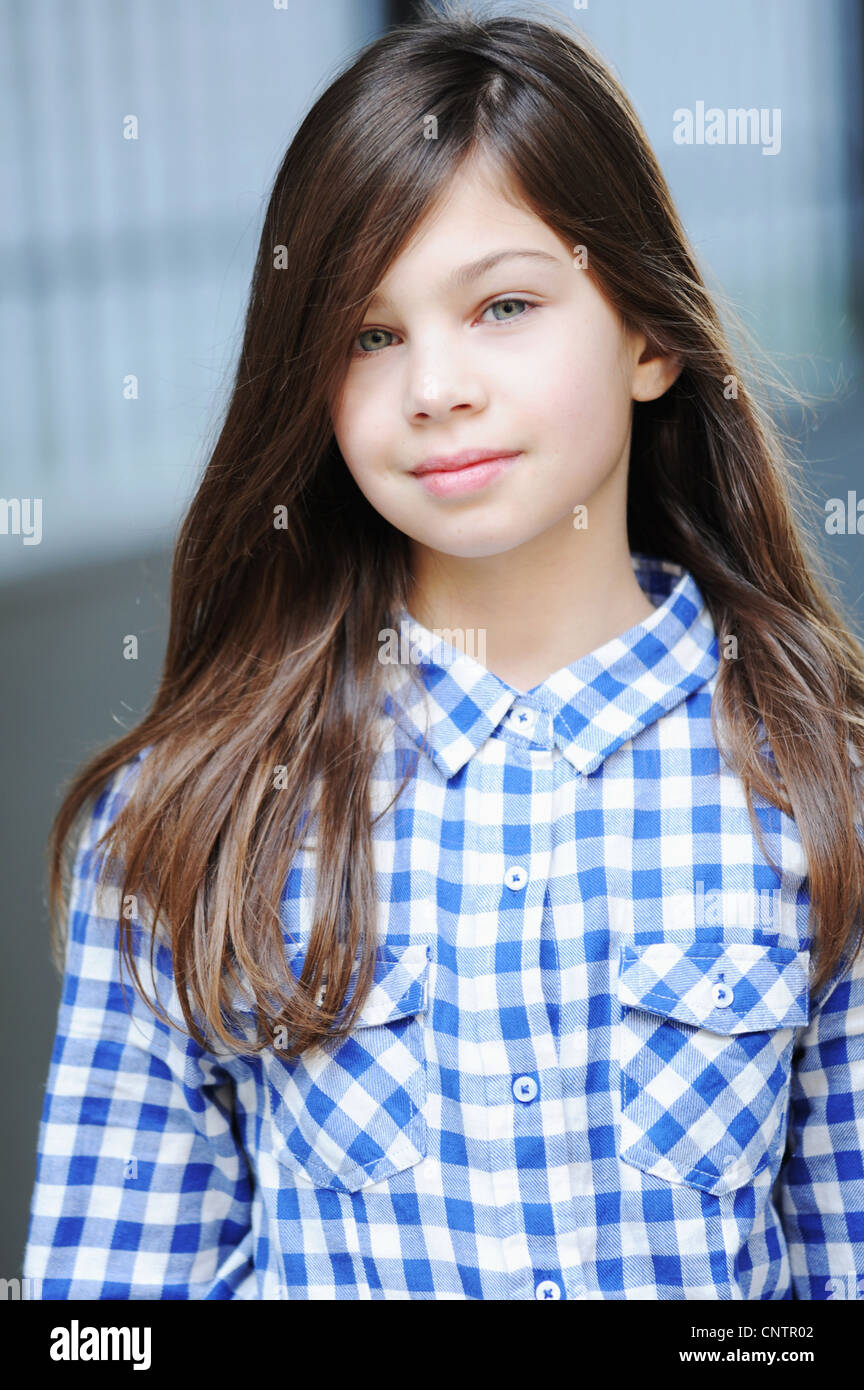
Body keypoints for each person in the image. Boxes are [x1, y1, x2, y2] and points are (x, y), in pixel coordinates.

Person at [22, 0, 864, 1300]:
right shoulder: (181, 819)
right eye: (369, 333)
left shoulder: (825, 780)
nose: (435, 386)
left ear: (648, 335)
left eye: (504, 305)